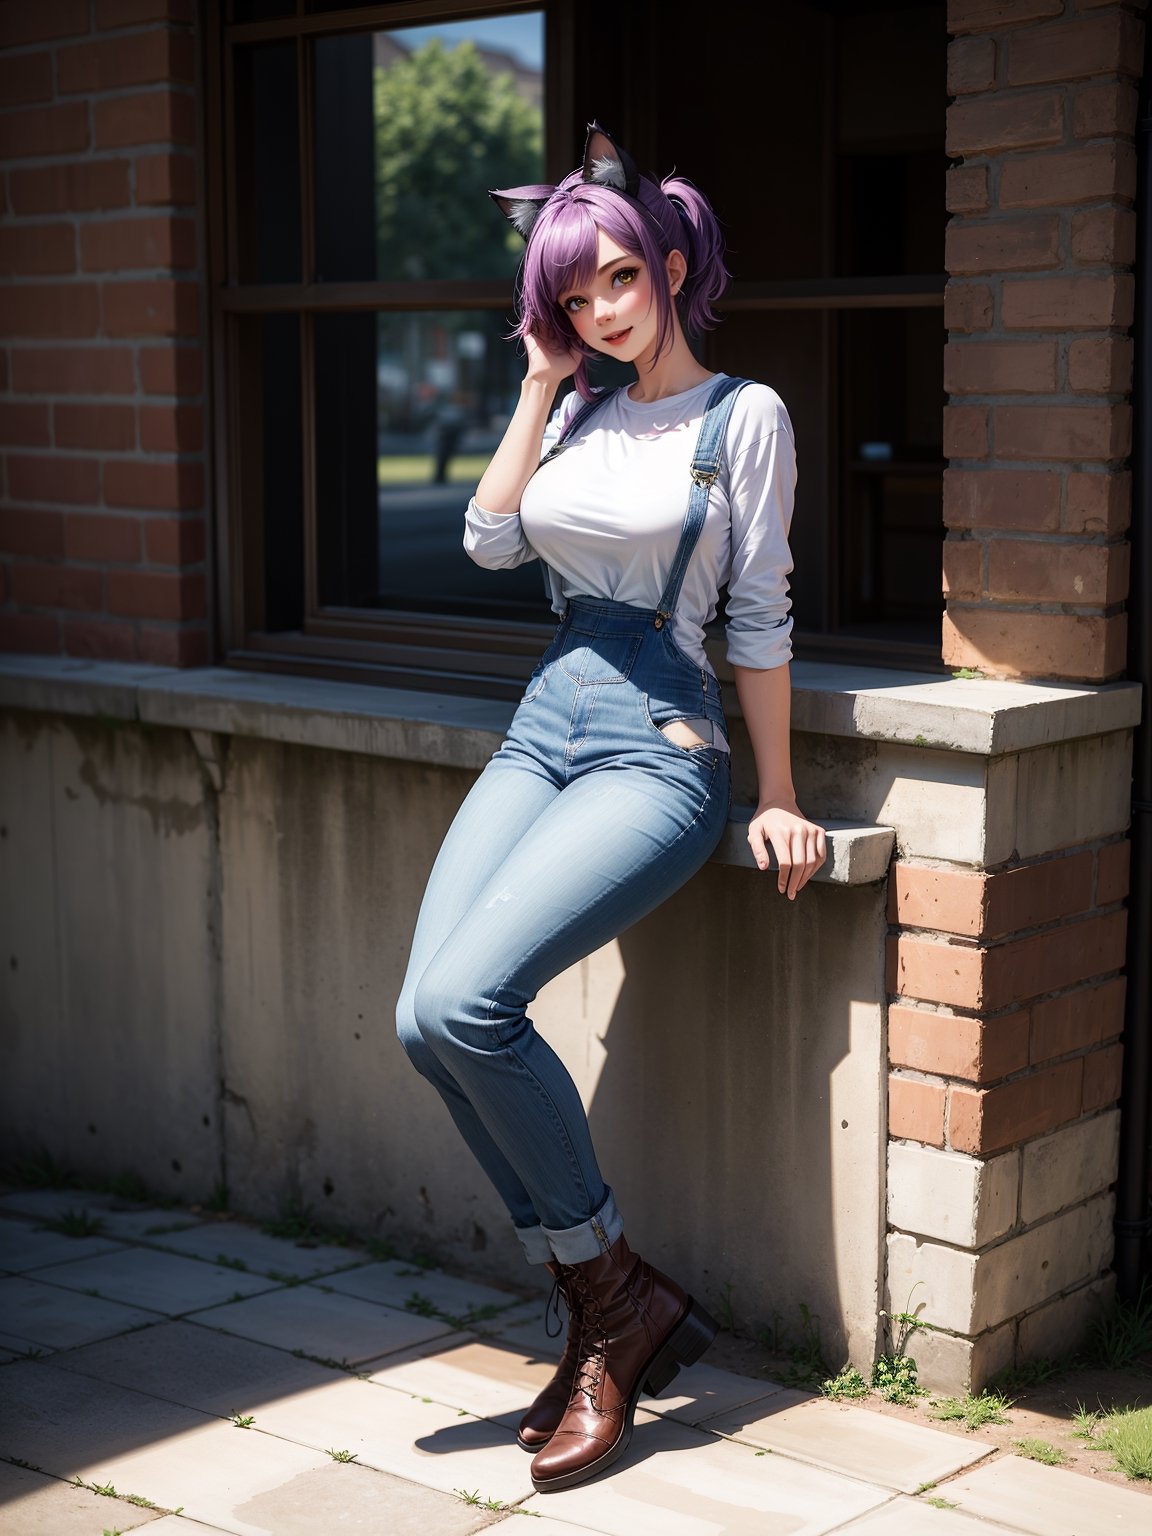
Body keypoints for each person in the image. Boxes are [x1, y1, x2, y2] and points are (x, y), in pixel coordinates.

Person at [395, 123, 826, 1495]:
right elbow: (484, 536)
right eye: (573, 297)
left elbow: (758, 614)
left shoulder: (741, 417)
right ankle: (613, 1297)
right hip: (545, 721)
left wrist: (778, 793)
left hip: (659, 743)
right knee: (423, 1019)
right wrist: (536, 385)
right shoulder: (576, 406)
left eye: (618, 282)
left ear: (676, 264)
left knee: (472, 1003)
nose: (597, 311)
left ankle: (605, 1298)